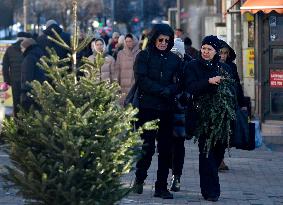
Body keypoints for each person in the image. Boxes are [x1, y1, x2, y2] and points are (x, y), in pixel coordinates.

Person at [132, 24, 181, 199]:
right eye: (160, 39)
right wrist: (162, 90)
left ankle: (161, 186)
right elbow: (141, 79)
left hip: (167, 109)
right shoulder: (143, 56)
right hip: (147, 108)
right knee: (147, 147)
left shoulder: (174, 59)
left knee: (166, 149)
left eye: (167, 41)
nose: (163, 43)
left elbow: (179, 81)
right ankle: (139, 178)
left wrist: (171, 90)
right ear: (154, 39)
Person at [184, 35, 234, 202]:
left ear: (216, 52)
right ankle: (210, 191)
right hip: (202, 116)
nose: (205, 52)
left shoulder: (223, 68)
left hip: (221, 118)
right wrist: (209, 81)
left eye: (209, 49)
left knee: (218, 152)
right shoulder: (192, 66)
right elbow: (191, 87)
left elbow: (233, 89)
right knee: (206, 153)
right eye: (203, 48)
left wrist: (240, 107)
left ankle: (211, 188)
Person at [218, 40, 246, 171]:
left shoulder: (232, 67)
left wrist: (242, 103)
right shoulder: (212, 65)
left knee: (226, 133)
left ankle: (220, 159)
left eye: (225, 53)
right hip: (215, 105)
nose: (223, 56)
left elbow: (237, 86)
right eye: (221, 53)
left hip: (229, 104)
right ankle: (217, 160)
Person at [169, 38, 192, 192]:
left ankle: (176, 176)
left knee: (178, 146)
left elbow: (191, 88)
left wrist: (182, 97)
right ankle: (169, 174)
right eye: (173, 54)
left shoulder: (189, 67)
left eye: (177, 54)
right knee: (165, 146)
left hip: (181, 113)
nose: (175, 57)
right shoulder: (165, 63)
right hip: (165, 111)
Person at [2, 31, 32, 116]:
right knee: (27, 103)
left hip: (15, 81)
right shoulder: (30, 49)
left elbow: (5, 66)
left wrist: (7, 81)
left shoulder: (10, 49)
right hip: (28, 81)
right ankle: (27, 123)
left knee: (16, 103)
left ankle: (17, 122)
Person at [20, 38, 47, 110]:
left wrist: (24, 92)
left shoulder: (29, 58)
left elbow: (26, 75)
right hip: (40, 89)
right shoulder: (40, 54)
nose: (21, 50)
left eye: (22, 48)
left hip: (30, 92)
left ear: (27, 47)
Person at [115, 33, 140, 103]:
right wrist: (116, 84)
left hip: (135, 85)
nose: (128, 43)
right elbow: (117, 70)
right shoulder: (120, 53)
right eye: (127, 41)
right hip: (123, 85)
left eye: (130, 41)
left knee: (134, 107)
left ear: (134, 41)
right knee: (123, 105)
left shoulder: (139, 53)